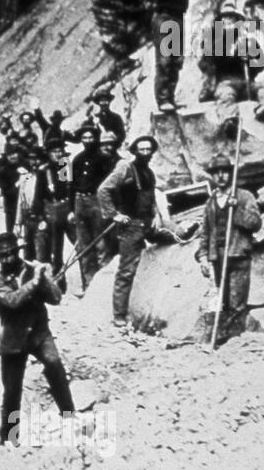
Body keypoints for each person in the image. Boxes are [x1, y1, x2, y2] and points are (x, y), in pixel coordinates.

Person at [0, 232, 76, 446]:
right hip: (13, 340)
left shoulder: (32, 270)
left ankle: (70, 416)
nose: (8, 259)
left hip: (38, 331)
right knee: (12, 389)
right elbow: (13, 300)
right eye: (3, 256)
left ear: (17, 252)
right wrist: (35, 280)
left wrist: (45, 279)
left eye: (11, 254)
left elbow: (56, 298)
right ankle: (9, 437)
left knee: (54, 364)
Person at [98, 134, 187, 327]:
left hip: (147, 223)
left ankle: (185, 233)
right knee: (126, 271)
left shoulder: (149, 172)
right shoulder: (125, 168)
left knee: (173, 237)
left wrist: (155, 214)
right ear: (135, 150)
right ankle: (119, 316)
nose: (145, 153)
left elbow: (151, 196)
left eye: (149, 149)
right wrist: (114, 215)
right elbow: (103, 190)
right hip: (130, 227)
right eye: (142, 149)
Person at [196, 154, 262, 344]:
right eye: (217, 173)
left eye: (225, 172)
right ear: (212, 177)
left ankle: (235, 343)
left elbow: (255, 223)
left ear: (230, 174)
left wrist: (237, 209)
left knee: (237, 304)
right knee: (220, 304)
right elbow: (205, 233)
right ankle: (220, 340)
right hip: (217, 258)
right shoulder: (210, 203)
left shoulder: (244, 196)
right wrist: (203, 257)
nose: (221, 176)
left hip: (238, 256)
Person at [201, 2, 264, 138]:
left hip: (247, 82)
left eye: (232, 18)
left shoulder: (247, 40)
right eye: (225, 18)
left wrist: (252, 56)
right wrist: (234, 56)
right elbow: (208, 64)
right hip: (227, 82)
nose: (229, 22)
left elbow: (260, 65)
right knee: (225, 94)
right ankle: (230, 119)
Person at [151, 0, 201, 113]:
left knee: (176, 60)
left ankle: (170, 98)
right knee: (165, 59)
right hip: (164, 17)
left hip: (178, 18)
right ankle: (163, 98)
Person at [70, 124, 114, 283]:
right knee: (84, 243)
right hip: (79, 201)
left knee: (101, 242)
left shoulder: (104, 159)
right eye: (84, 138)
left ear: (96, 138)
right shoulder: (77, 160)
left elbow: (110, 185)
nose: (87, 141)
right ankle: (89, 282)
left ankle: (104, 282)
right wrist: (71, 209)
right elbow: (71, 185)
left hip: (97, 201)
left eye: (90, 137)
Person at [33, 137, 74, 285]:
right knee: (55, 248)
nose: (57, 154)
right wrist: (40, 216)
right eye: (54, 151)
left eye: (60, 150)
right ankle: (57, 281)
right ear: (48, 153)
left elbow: (69, 190)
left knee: (81, 244)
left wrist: (72, 210)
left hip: (68, 211)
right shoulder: (44, 171)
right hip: (52, 211)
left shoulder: (65, 167)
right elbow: (39, 196)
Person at [0, 142, 23, 233]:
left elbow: (30, 176)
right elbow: (6, 192)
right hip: (11, 204)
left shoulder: (24, 165)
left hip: (24, 203)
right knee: (11, 229)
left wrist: (25, 177)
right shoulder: (3, 170)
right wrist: (17, 185)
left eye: (15, 153)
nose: (13, 156)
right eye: (10, 154)